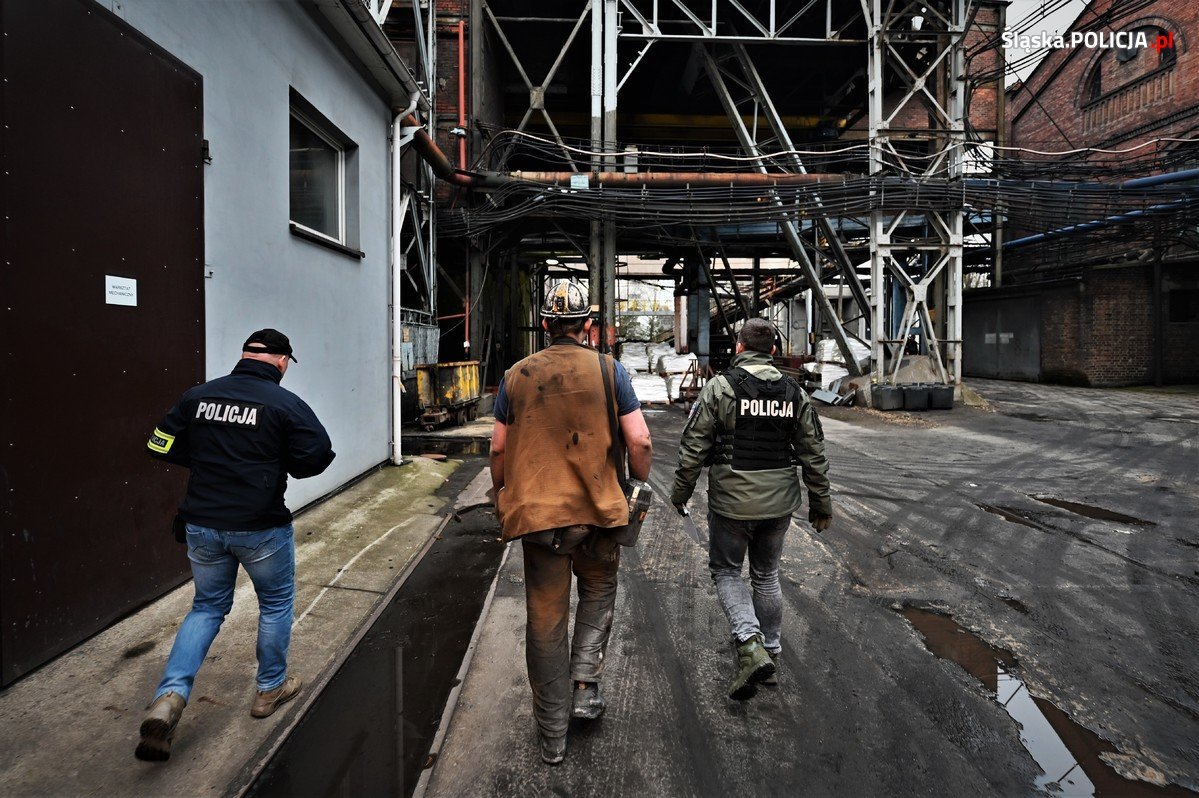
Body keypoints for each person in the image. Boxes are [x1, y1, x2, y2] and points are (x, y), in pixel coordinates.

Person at [135, 329, 335, 761]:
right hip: (259, 527)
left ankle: (169, 697)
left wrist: (203, 459)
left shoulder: (197, 397)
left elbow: (157, 443)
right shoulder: (285, 404)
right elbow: (319, 454)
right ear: (282, 362)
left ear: (245, 355)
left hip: (201, 525)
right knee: (276, 603)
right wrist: (282, 463)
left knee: (206, 607)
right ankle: (269, 690)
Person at [489, 281, 653, 765]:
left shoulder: (516, 375)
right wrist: (638, 483)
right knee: (599, 590)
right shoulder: (610, 370)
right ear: (587, 325)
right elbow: (639, 441)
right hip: (600, 513)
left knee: (545, 618)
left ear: (543, 324)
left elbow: (498, 448)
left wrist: (503, 491)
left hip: (541, 520)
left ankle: (552, 736)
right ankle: (584, 686)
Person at [670, 317, 832, 701]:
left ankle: (750, 643)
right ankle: (771, 653)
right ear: (773, 351)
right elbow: (814, 454)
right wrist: (821, 504)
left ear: (739, 348)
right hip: (779, 505)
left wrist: (680, 493)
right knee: (766, 574)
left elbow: (693, 450)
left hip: (731, 504)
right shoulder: (795, 392)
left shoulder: (719, 388)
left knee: (727, 571)